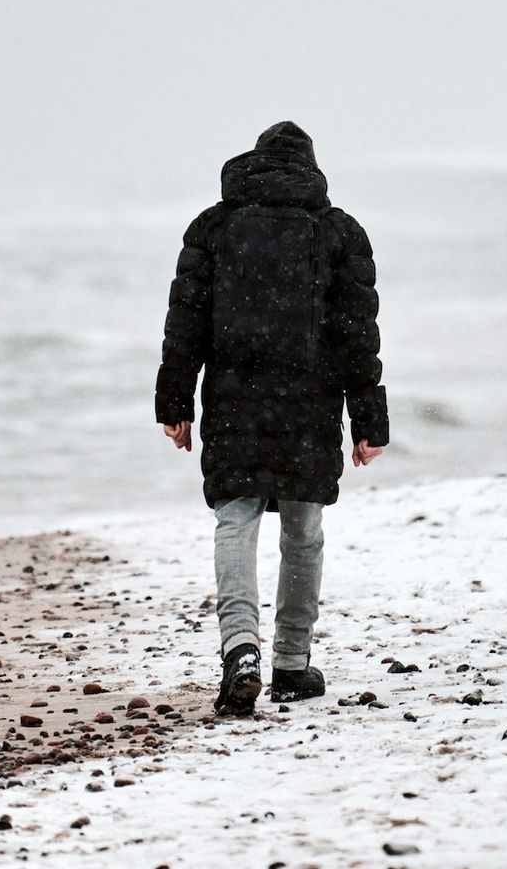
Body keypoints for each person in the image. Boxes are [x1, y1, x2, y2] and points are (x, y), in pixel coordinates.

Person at [155, 121, 389, 717]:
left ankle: (241, 650)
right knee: (303, 530)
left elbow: (186, 322)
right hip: (309, 399)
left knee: (236, 521)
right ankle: (291, 661)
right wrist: (368, 419)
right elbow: (357, 334)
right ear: (310, 170)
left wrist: (176, 401)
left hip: (235, 394)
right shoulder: (339, 232)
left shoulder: (214, 226)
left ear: (253, 164)